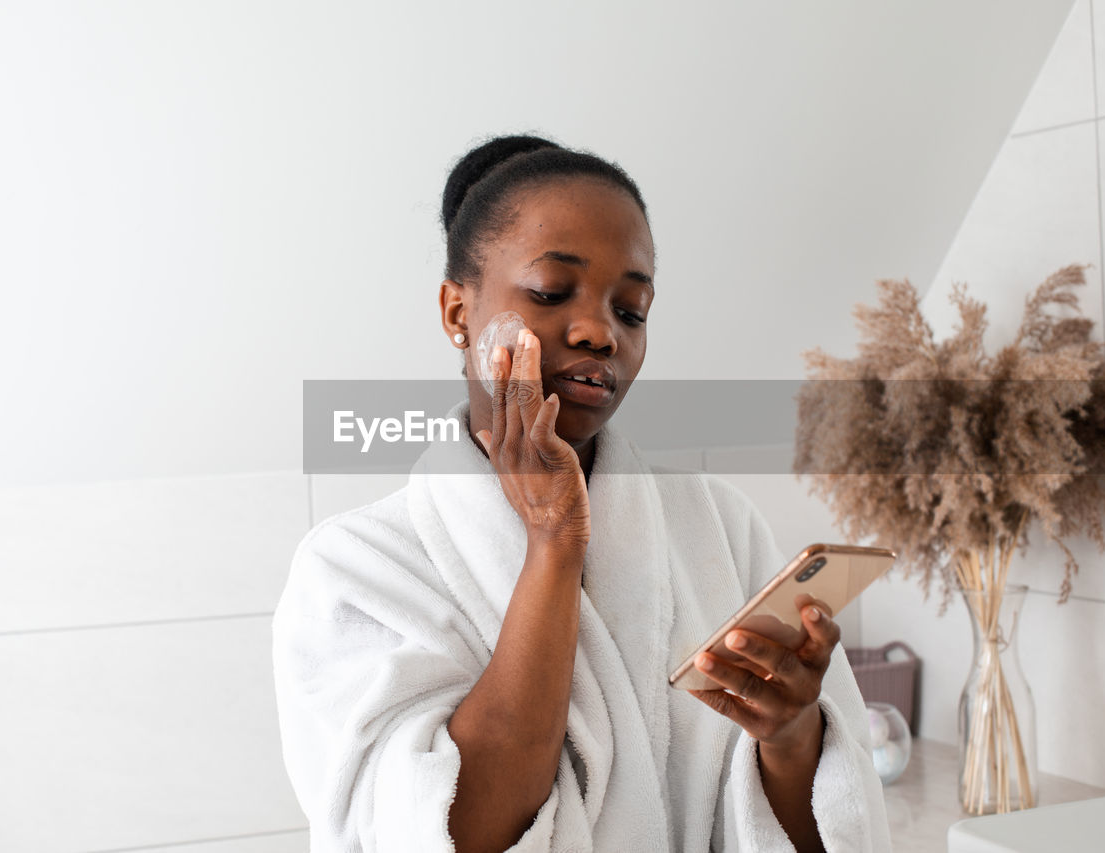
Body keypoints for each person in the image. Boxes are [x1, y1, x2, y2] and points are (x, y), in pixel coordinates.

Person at [272, 134, 891, 852]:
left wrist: (789, 734)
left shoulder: (718, 523)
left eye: (631, 309)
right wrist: (553, 542)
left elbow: (822, 824)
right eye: (549, 292)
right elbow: (450, 834)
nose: (601, 331)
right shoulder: (354, 569)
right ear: (456, 312)